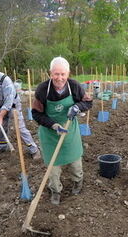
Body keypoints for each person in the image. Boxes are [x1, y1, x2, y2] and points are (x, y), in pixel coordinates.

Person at [32, 57, 93, 205]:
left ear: (68, 74)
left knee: (76, 164)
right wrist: (53, 125)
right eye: (56, 74)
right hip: (50, 134)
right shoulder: (42, 90)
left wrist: (77, 107)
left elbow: (88, 101)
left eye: (63, 74)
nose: (59, 78)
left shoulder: (74, 86)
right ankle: (55, 191)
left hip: (70, 132)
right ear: (50, 73)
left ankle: (78, 182)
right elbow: (36, 113)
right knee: (53, 169)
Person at [0, 59, 41, 160]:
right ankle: (2, 146)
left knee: (20, 129)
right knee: (1, 128)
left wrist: (0, 116)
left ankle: (34, 150)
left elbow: (9, 101)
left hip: (13, 106)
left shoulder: (5, 80)